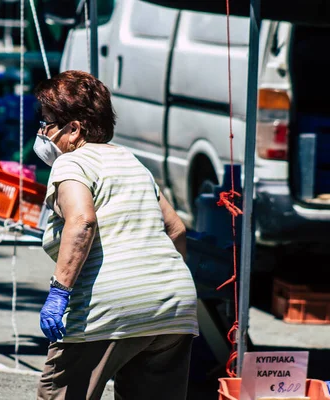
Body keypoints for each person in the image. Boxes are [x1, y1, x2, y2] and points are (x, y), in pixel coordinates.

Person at [33, 70, 199, 400]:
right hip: (173, 306)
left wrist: (59, 292)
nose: (43, 133)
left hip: (108, 307)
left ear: (74, 129)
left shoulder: (71, 163)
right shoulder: (131, 160)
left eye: (48, 124)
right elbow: (176, 228)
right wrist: (157, 280)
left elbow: (82, 222)